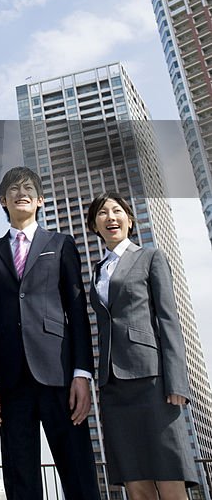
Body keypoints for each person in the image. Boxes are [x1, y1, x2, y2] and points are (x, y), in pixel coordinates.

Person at [0, 166, 100, 500]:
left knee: (78, 470)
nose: (21, 192)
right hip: (10, 379)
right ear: (3, 200)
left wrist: (81, 373)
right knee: (20, 476)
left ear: (41, 200)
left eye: (28, 188)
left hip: (59, 375)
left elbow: (76, 312)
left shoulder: (61, 244)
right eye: (13, 189)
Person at [87, 192, 198, 500]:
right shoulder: (98, 270)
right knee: (135, 484)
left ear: (129, 220)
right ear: (94, 225)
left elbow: (168, 319)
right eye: (102, 213)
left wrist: (177, 380)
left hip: (152, 379)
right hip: (113, 385)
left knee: (169, 476)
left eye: (117, 211)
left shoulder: (150, 257)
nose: (110, 217)